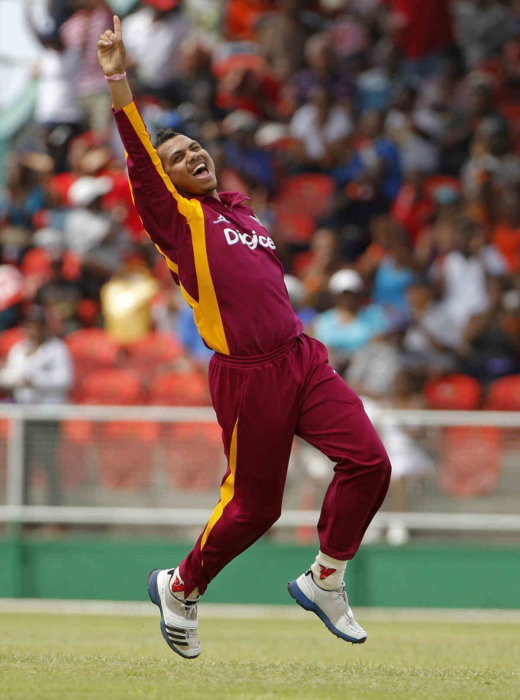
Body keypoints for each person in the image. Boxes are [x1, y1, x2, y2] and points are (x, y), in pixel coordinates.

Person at [97, 16, 391, 659]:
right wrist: (118, 79)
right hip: (247, 372)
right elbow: (142, 156)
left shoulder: (239, 207)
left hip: (301, 356)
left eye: (194, 150)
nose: (190, 158)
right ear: (163, 180)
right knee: (256, 510)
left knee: (370, 462)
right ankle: (180, 586)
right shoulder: (176, 219)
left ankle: (326, 579)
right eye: (176, 159)